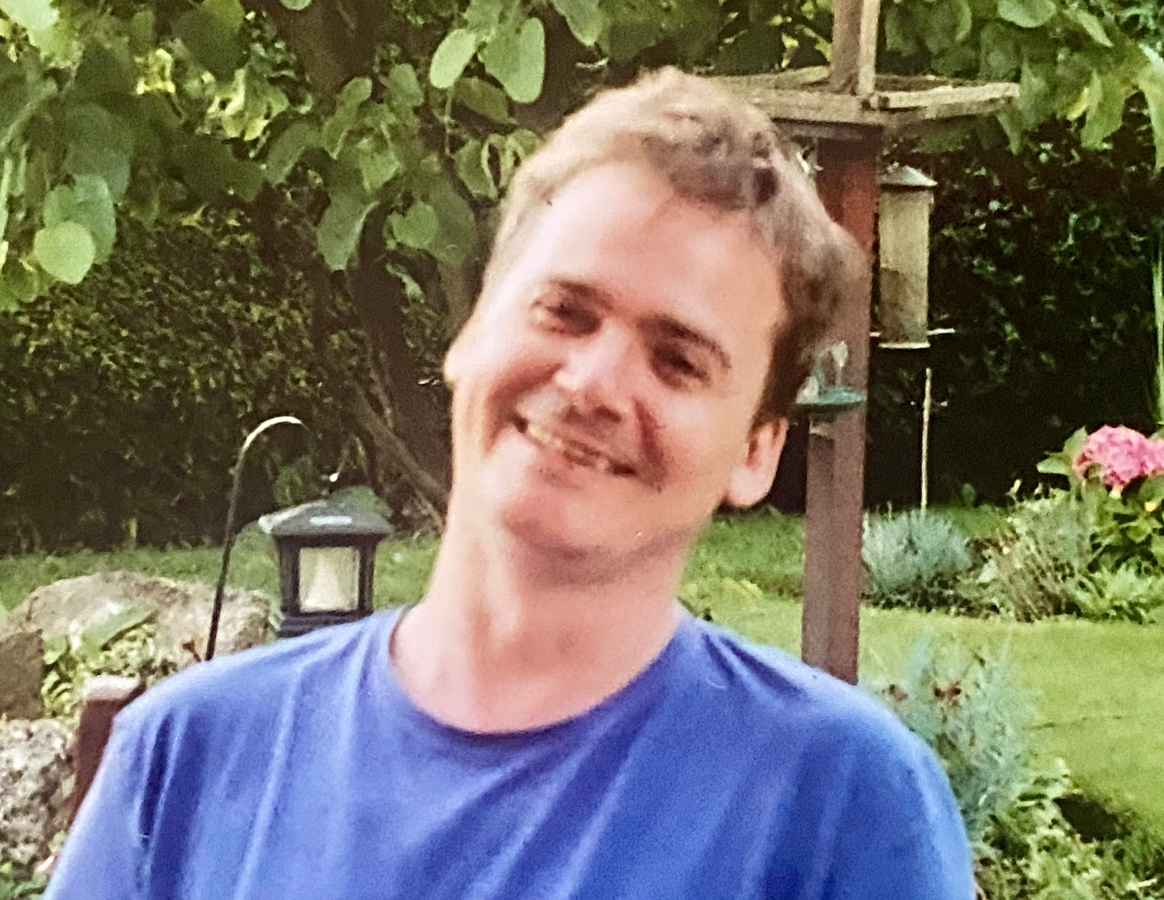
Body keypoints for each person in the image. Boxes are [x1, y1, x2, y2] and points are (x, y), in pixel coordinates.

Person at [46, 68, 973, 899]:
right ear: (471, 332)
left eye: (678, 360)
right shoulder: (188, 762)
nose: (593, 383)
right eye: (564, 311)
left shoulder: (838, 808)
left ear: (757, 452)